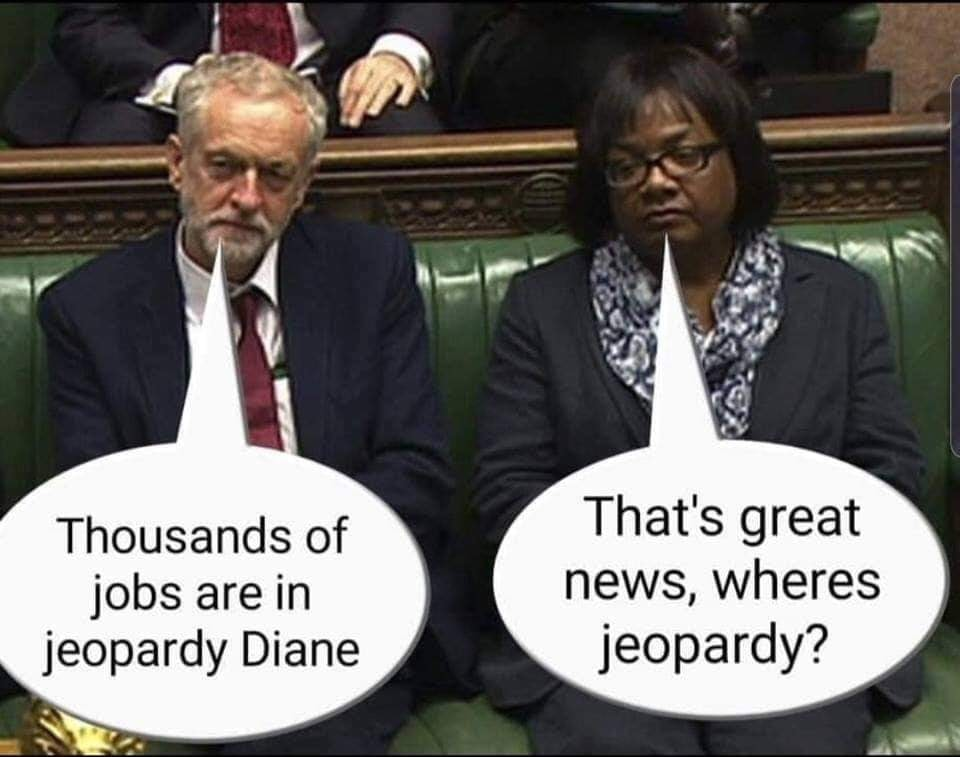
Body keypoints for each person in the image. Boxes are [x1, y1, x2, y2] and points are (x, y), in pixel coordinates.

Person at [472, 45, 925, 754]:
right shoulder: (544, 306)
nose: (657, 182)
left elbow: (888, 474)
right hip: (607, 623)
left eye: (684, 155)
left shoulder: (838, 299)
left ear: (736, 158)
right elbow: (509, 490)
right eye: (627, 166)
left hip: (795, 613)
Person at [38, 52, 472, 753]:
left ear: (303, 188)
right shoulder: (88, 311)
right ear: (177, 164)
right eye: (224, 166)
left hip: (339, 604)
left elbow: (416, 473)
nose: (246, 196)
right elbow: (98, 509)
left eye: (274, 175)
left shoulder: (370, 274)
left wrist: (290, 568)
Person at [3, 3, 451, 146]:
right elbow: (88, 22)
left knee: (401, 129)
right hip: (170, 82)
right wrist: (179, 83)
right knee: (113, 141)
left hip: (324, 82)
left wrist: (397, 53)